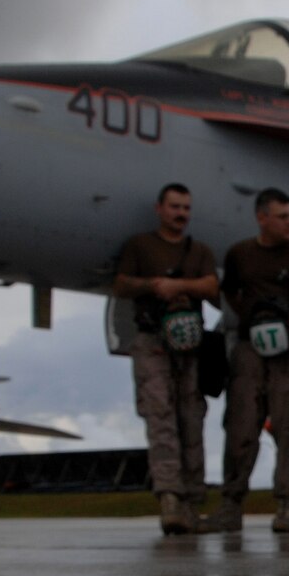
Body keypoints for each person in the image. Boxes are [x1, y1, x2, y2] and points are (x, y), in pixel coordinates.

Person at [217, 188, 289, 533]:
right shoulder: (240, 254)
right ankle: (231, 504)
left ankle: (287, 506)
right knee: (240, 427)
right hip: (251, 351)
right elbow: (230, 292)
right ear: (261, 217)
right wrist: (253, 320)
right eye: (282, 217)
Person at [113, 184, 220, 535]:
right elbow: (122, 284)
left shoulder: (199, 250)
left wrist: (179, 288)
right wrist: (153, 286)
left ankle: (191, 504)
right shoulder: (140, 246)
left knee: (192, 420)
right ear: (159, 208)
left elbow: (211, 287)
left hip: (189, 345)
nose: (181, 214)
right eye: (175, 207)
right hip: (152, 342)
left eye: (186, 208)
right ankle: (170, 500)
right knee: (160, 419)